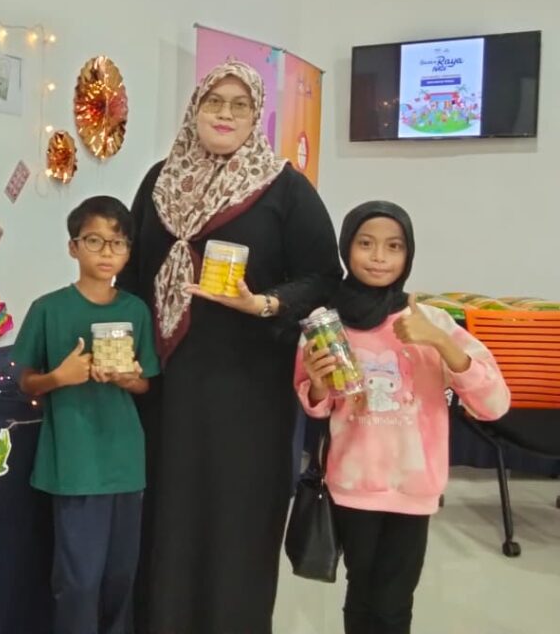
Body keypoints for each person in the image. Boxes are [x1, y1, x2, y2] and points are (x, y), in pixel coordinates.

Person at [117, 60, 342, 633]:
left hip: (247, 390)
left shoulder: (284, 187)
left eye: (240, 104)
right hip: (166, 389)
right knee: (166, 513)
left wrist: (264, 303)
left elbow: (323, 276)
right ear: (195, 108)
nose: (225, 113)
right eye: (214, 101)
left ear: (256, 115)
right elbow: (133, 274)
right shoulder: (160, 180)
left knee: (235, 518)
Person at [296, 201, 510, 634]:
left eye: (393, 246)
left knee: (394, 602)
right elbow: (316, 405)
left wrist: (440, 343)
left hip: (413, 487)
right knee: (361, 593)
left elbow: (495, 403)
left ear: (408, 254)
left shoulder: (429, 321)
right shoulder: (328, 324)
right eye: (366, 244)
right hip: (354, 487)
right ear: (346, 248)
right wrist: (317, 384)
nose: (379, 257)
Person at [12, 195, 161, 634]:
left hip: (125, 461)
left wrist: (128, 379)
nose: (106, 252)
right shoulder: (49, 309)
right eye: (94, 241)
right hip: (75, 463)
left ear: (129, 251)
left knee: (120, 577)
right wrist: (60, 377)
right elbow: (26, 382)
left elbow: (146, 382)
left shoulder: (135, 310)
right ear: (73, 247)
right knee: (79, 581)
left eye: (117, 243)